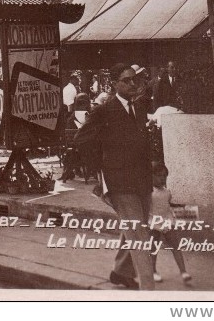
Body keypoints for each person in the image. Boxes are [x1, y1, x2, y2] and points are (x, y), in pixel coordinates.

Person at [74, 63, 155, 290]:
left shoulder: (138, 107)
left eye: (134, 79)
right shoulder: (104, 110)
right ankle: (150, 292)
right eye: (126, 80)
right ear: (114, 84)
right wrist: (101, 170)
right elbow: (81, 139)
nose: (132, 83)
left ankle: (121, 271)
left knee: (139, 227)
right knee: (138, 234)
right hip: (120, 182)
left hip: (142, 179)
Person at [149, 164, 191, 285]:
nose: (162, 179)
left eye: (164, 176)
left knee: (175, 246)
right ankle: (153, 271)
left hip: (168, 222)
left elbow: (168, 204)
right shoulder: (149, 192)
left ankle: (183, 272)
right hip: (153, 224)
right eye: (158, 176)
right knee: (153, 249)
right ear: (151, 176)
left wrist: (181, 208)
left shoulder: (167, 192)